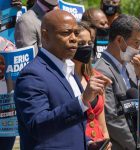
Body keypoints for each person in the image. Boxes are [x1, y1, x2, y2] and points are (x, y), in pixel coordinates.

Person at [14, 10, 109, 150]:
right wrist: (82, 101)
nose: (74, 39)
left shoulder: (67, 69)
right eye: (66, 33)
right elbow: (37, 126)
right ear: (45, 36)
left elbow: (70, 127)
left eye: (76, 33)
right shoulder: (32, 75)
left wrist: (88, 144)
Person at [95, 14, 140, 150]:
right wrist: (137, 146)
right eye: (136, 42)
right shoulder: (102, 71)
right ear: (119, 40)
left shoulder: (132, 66)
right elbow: (112, 119)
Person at [73, 21, 112, 149]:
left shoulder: (95, 75)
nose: (87, 47)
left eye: (90, 43)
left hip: (100, 143)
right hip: (79, 144)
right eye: (81, 43)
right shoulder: (64, 78)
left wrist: (106, 141)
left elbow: (102, 122)